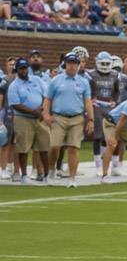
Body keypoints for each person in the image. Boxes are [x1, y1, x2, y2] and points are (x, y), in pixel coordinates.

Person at [43, 52, 94, 188]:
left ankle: (72, 178)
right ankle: (52, 170)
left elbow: (88, 102)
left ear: (78, 65)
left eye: (75, 64)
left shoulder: (83, 82)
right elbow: (48, 98)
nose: (72, 66)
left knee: (74, 148)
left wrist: (91, 119)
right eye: (69, 63)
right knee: (54, 146)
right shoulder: (56, 80)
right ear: (65, 64)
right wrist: (46, 114)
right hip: (58, 117)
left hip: (77, 118)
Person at [7, 58, 49, 184]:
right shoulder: (14, 86)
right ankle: (24, 175)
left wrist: (41, 108)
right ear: (17, 70)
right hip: (22, 118)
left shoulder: (36, 80)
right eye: (21, 68)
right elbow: (15, 104)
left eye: (25, 68)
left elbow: (47, 94)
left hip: (39, 117)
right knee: (23, 148)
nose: (24, 71)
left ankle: (47, 174)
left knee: (44, 146)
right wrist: (33, 112)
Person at [87, 52, 122, 173]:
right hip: (97, 106)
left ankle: (115, 166)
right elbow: (88, 90)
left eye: (107, 63)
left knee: (112, 136)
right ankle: (98, 165)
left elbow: (117, 91)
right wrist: (91, 99)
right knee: (98, 136)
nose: (105, 65)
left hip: (110, 107)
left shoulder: (114, 74)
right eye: (103, 63)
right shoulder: (91, 75)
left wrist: (115, 100)